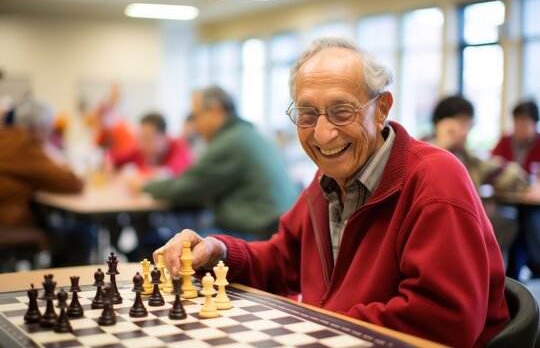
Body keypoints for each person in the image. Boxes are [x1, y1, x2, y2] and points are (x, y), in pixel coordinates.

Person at [153, 37, 509, 347]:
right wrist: (220, 251)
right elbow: (282, 260)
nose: (322, 134)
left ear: (381, 108)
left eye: (341, 111)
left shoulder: (434, 180)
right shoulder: (326, 180)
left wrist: (315, 327)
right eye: (307, 114)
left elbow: (445, 321)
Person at [142, 86, 299, 240]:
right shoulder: (245, 133)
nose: (195, 125)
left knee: (182, 246)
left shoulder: (230, 142)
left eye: (197, 116)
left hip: (258, 233)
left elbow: (186, 188)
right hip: (272, 226)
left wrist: (144, 186)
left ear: (215, 110)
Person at [430, 95, 529, 264]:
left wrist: (529, 182)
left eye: (468, 125)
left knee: (509, 221)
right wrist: (442, 146)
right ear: (442, 124)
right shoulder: (424, 150)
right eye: (462, 124)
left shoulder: (467, 158)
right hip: (437, 230)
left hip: (464, 227)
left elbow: (502, 171)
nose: (466, 131)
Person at [0, 98, 85, 266]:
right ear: (39, 128)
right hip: (9, 223)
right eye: (49, 129)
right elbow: (73, 183)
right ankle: (62, 288)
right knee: (82, 236)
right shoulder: (25, 146)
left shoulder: (5, 137)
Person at [492, 100, 540, 279]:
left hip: (533, 204)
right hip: (507, 202)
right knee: (510, 220)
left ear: (535, 124)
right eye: (518, 121)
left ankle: (524, 269)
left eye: (526, 122)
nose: (521, 127)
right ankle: (515, 272)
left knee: (528, 218)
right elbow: (494, 168)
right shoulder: (505, 141)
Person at [119, 112, 193, 178]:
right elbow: (114, 158)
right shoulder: (141, 150)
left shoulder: (179, 147)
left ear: (164, 137)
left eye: (147, 139)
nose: (142, 144)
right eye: (140, 138)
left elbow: (169, 174)